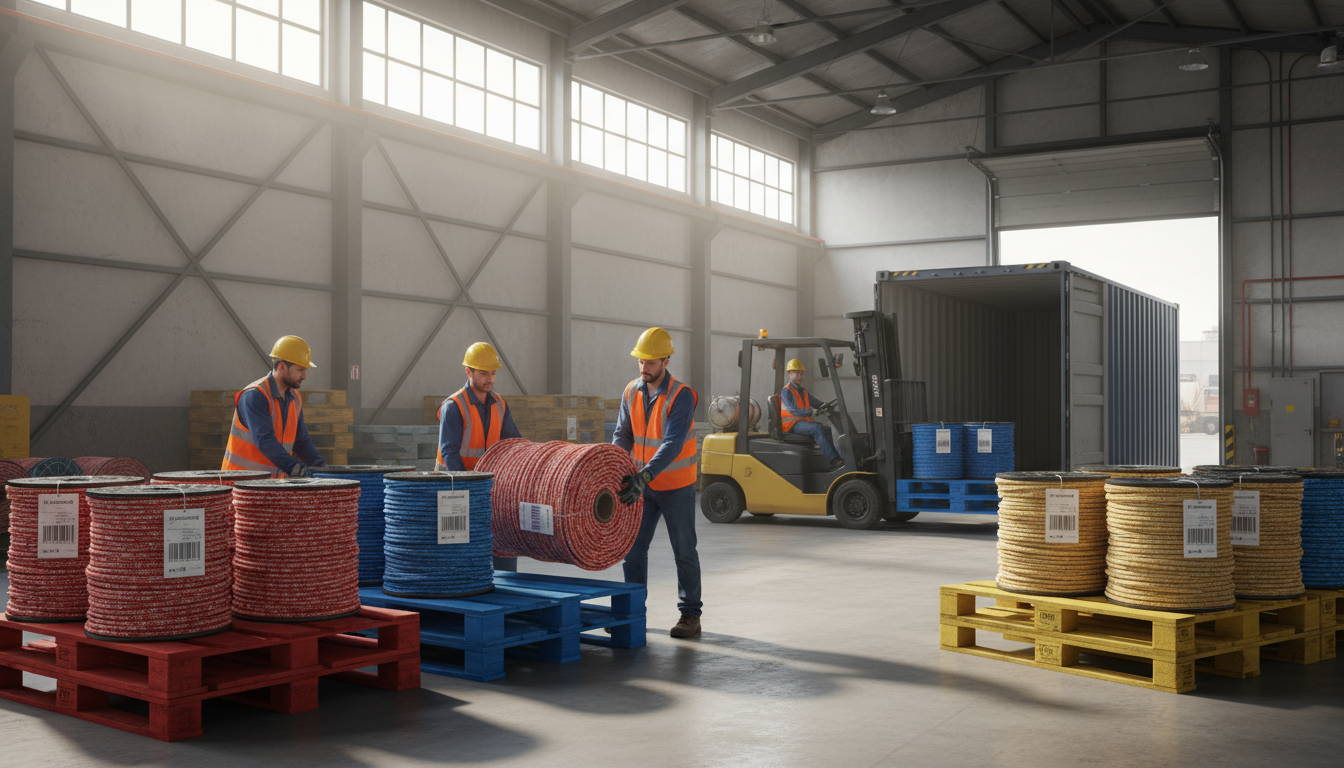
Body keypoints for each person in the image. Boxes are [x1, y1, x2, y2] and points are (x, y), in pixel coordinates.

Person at [613, 327, 702, 639]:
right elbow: (623, 435)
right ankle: (633, 613)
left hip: (675, 485)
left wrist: (645, 475)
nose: (644, 367)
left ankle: (690, 614)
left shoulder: (681, 395)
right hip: (643, 487)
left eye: (650, 362)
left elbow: (673, 442)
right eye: (640, 361)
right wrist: (613, 465)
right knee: (633, 552)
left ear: (666, 361)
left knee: (684, 551)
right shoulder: (630, 392)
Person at [436, 341, 522, 571]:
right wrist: (471, 489)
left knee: (503, 546)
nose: (490, 379)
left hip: (488, 491)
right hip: (453, 493)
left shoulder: (500, 404)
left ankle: (505, 595)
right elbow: (449, 453)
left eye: (493, 373)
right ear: (469, 372)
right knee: (461, 557)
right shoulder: (454, 406)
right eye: (483, 373)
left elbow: (514, 445)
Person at [222, 335, 327, 478]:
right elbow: (265, 441)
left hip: (270, 486)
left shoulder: (295, 399)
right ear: (282, 367)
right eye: (300, 369)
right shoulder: (255, 396)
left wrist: (320, 466)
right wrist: (294, 467)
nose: (304, 376)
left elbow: (301, 441)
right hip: (241, 484)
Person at [780, 358, 845, 472]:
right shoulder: (786, 391)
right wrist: (809, 412)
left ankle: (836, 459)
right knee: (817, 429)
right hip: (791, 424)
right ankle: (834, 460)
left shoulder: (803, 391)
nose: (799, 376)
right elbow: (791, 410)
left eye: (801, 373)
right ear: (789, 374)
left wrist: (827, 405)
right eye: (796, 373)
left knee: (826, 429)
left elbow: (816, 403)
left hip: (802, 421)